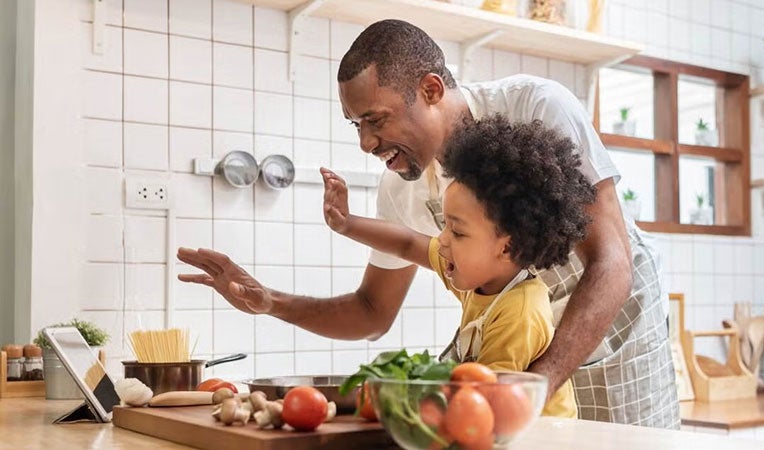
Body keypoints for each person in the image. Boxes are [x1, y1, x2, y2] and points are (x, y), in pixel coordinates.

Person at [178, 19, 679, 428]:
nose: (365, 143)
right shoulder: (401, 185)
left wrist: (539, 384)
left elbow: (611, 261)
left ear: (431, 89)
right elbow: (372, 311)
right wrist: (269, 302)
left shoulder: (535, 107)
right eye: (356, 125)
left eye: (376, 120)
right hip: (514, 360)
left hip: (614, 333)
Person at [322, 115, 595, 418]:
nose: (442, 239)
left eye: (458, 232)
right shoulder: (481, 275)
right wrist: (347, 224)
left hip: (543, 436)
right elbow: (407, 244)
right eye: (445, 225)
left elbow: (485, 403)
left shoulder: (520, 313)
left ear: (506, 248)